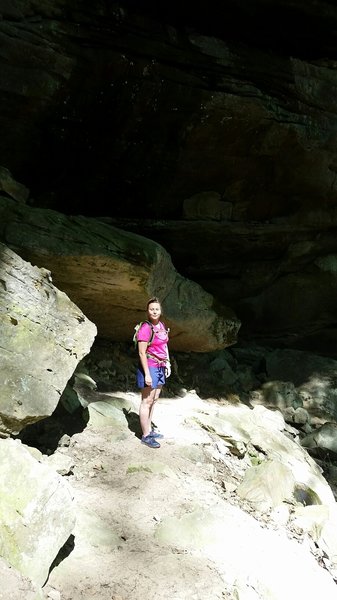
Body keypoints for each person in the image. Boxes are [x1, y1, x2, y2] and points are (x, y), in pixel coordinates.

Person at [136, 297, 171, 448]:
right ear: (147, 311)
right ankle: (145, 435)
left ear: (160, 311)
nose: (154, 311)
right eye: (151, 309)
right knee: (147, 401)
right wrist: (147, 374)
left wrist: (167, 362)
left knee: (154, 399)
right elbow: (142, 353)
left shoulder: (161, 325)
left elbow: (164, 346)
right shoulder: (146, 328)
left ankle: (149, 430)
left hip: (161, 366)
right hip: (150, 366)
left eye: (157, 309)